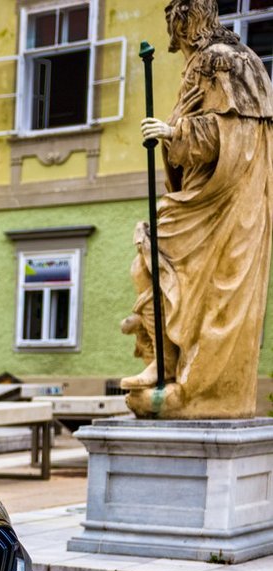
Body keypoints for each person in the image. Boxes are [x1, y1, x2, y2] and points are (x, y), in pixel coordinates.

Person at [121, 0, 273, 418]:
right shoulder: (202, 62)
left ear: (190, 22)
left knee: (211, 287)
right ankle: (164, 363)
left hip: (223, 202)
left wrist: (173, 131)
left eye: (179, 24)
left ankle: (196, 385)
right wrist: (174, 136)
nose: (177, 36)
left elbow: (233, 132)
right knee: (149, 264)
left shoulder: (225, 61)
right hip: (198, 195)